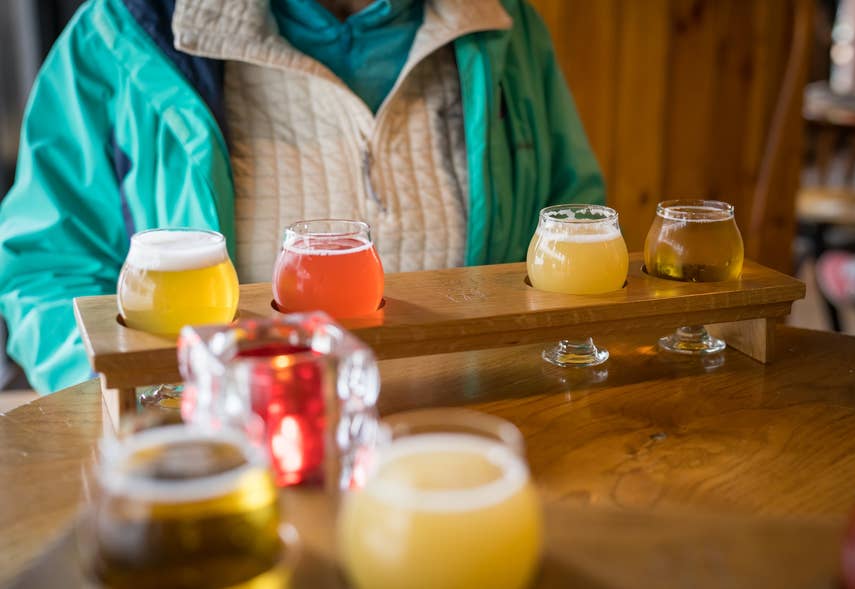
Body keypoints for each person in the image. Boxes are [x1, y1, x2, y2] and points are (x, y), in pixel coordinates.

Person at [0, 0, 604, 394]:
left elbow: (567, 219)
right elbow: (45, 272)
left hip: (466, 448)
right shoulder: (119, 35)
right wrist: (152, 416)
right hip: (230, 465)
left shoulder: (504, 25)